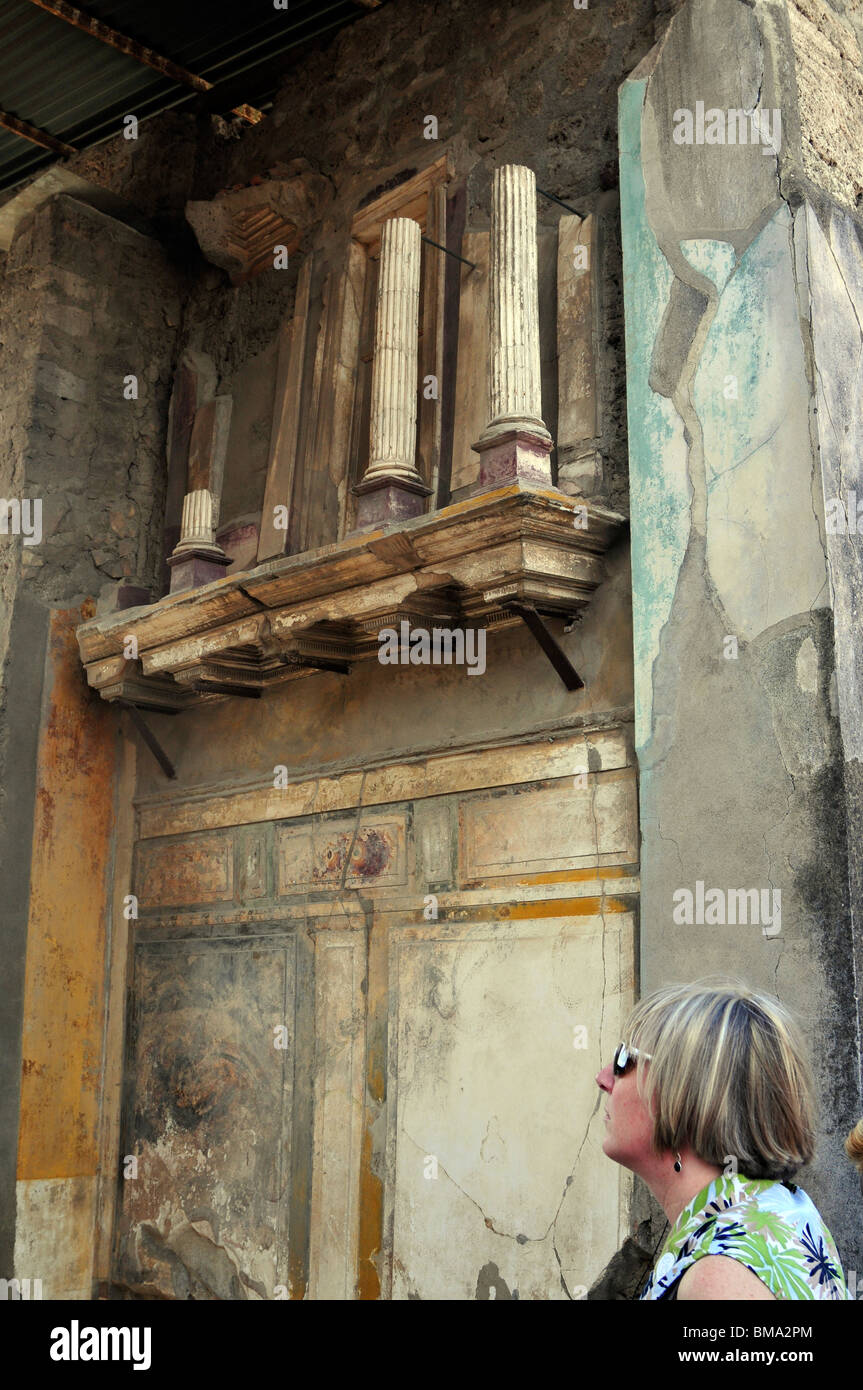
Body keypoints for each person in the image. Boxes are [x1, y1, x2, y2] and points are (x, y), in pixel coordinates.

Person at [596, 980, 849, 1300]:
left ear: (685, 1095)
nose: (604, 1078)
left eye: (623, 1059)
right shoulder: (773, 1207)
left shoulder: (718, 1278)